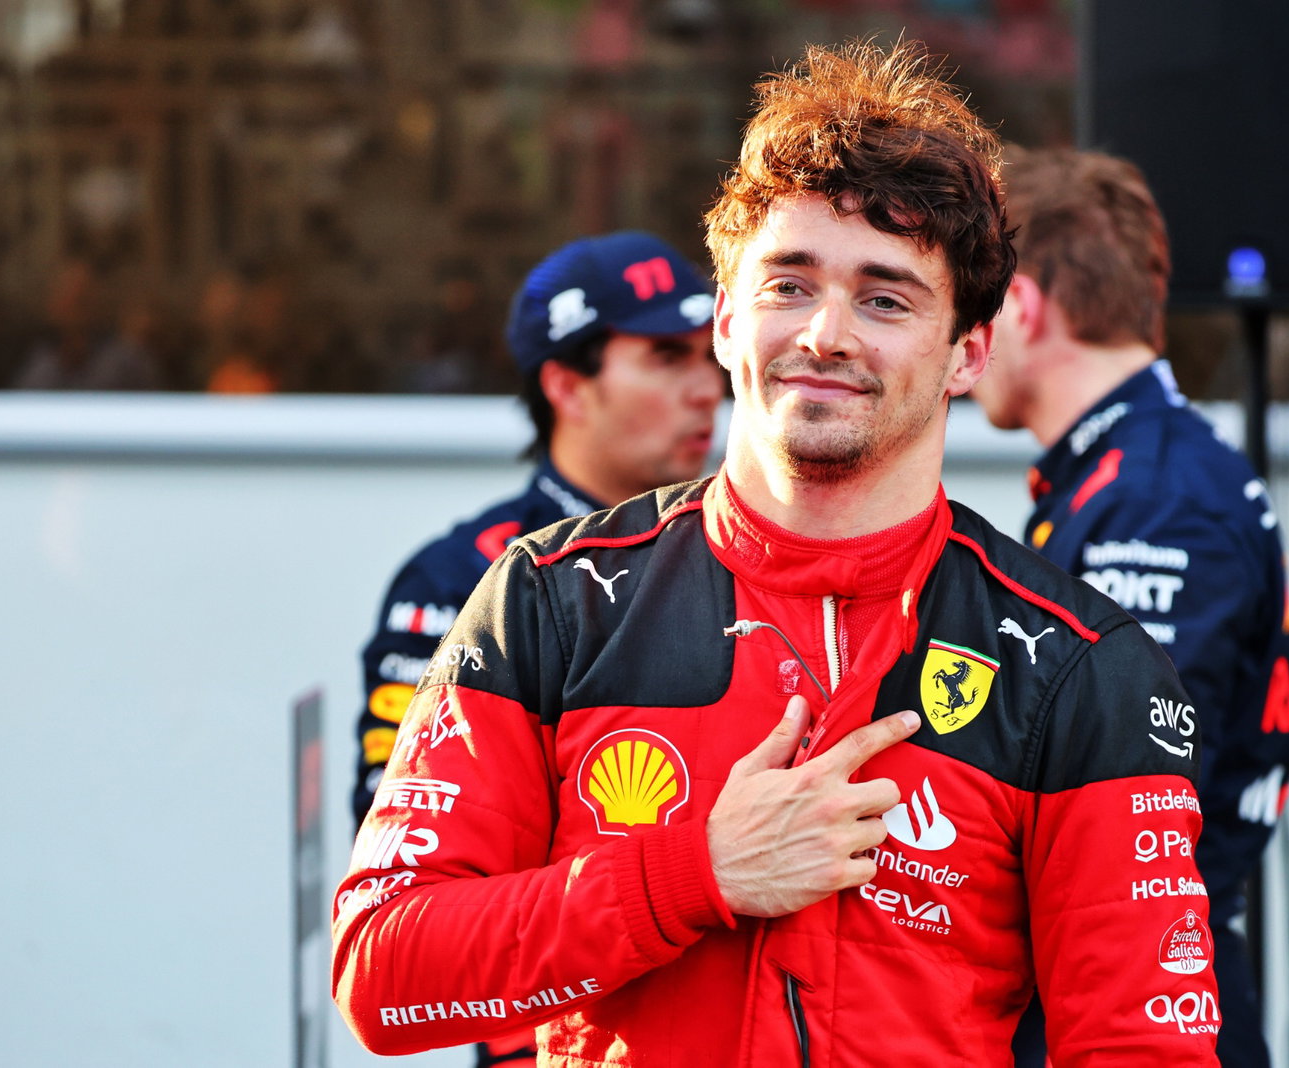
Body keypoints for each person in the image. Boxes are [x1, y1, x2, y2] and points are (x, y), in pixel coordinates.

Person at [334, 41, 1220, 1065]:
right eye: (787, 285)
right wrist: (691, 872)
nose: (824, 334)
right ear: (724, 321)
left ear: (968, 353)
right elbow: (383, 978)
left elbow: (1138, 1050)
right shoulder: (549, 600)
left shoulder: (1077, 664)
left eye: (885, 299)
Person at [352, 230, 721, 1068]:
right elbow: (416, 883)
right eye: (666, 358)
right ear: (566, 385)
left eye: (709, 354)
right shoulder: (459, 583)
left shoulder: (751, 553)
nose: (708, 389)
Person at [971, 145, 1289, 1066]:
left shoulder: (1153, 496)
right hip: (1128, 982)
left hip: (1142, 1002)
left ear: (1024, 306)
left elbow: (1131, 793)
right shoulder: (1120, 478)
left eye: (976, 299)